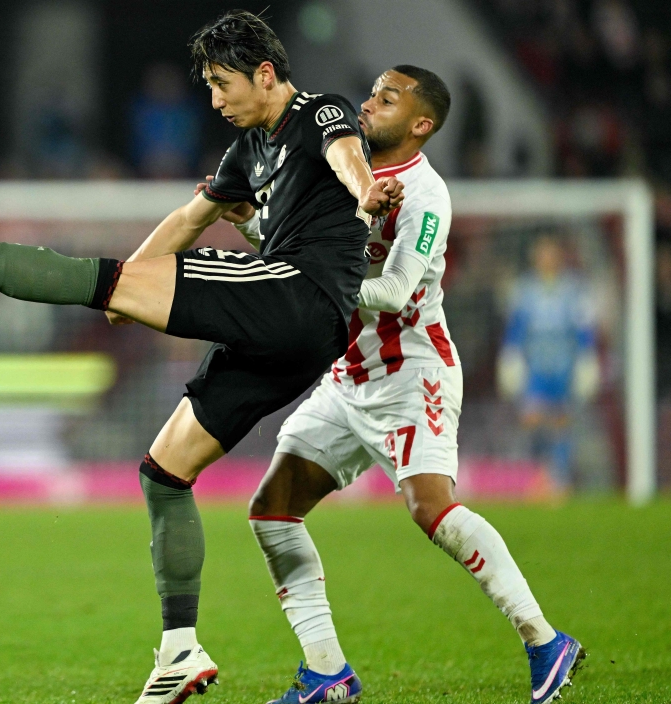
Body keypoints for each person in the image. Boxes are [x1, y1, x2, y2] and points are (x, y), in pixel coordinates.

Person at [0, 10, 403, 703]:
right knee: (164, 471)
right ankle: (181, 652)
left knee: (97, 276)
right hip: (292, 335)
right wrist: (132, 284)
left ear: (265, 75)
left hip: (300, 295)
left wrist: (365, 192)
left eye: (221, 83)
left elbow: (345, 154)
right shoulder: (247, 153)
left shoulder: (317, 111)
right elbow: (189, 219)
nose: (214, 99)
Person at [216, 67, 584, 704]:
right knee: (272, 513)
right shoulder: (342, 165)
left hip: (413, 374)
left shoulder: (426, 195)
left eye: (387, 99)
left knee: (429, 508)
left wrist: (309, 285)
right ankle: (328, 673)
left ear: (421, 125)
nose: (367, 103)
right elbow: (292, 248)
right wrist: (250, 221)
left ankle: (545, 641)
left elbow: (393, 291)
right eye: (371, 92)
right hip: (349, 377)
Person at [497, 234, 600, 492]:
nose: (546, 258)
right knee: (532, 422)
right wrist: (510, 356)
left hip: (563, 367)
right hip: (535, 369)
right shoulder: (524, 289)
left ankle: (560, 481)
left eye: (550, 252)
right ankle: (535, 480)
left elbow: (583, 329)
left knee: (562, 424)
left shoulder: (574, 289)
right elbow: (515, 328)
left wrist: (587, 358)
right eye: (541, 253)